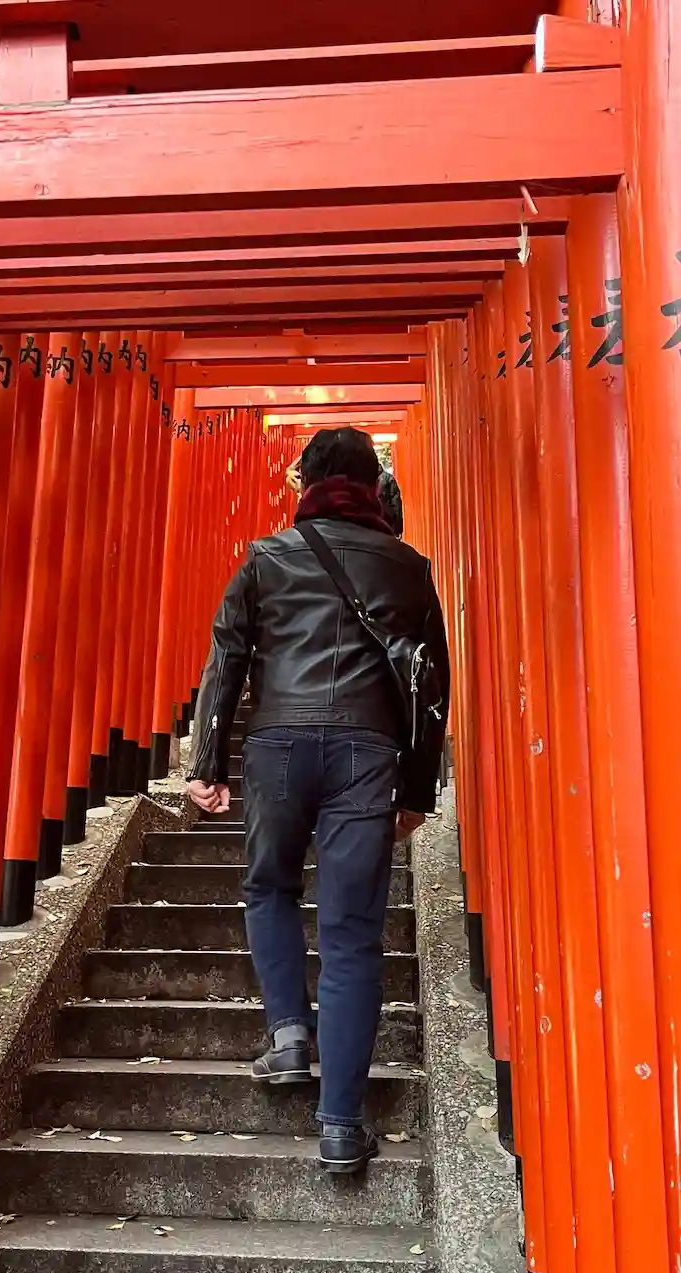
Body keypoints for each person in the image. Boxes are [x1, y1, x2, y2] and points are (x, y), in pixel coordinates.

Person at [187, 427, 449, 1174]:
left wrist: (207, 762)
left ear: (307, 484)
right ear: (371, 486)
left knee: (269, 886)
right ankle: (339, 1126)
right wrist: (416, 791)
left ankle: (288, 1034)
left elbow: (226, 656)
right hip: (366, 753)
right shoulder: (408, 568)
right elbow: (430, 684)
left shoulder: (266, 558)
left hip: (277, 744)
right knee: (352, 933)